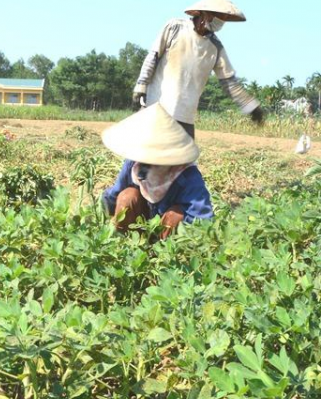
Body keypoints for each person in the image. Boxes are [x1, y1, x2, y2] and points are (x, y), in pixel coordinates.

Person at [132, 0, 263, 139]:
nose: (221, 22)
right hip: (157, 106)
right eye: (218, 16)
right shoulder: (175, 27)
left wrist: (250, 106)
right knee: (140, 155)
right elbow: (153, 56)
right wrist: (141, 85)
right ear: (204, 13)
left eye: (224, 19)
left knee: (185, 158)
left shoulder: (216, 48)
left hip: (185, 115)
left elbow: (229, 82)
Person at [102, 104, 214, 239]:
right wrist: (101, 214)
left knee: (175, 216)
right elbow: (115, 194)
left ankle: (160, 254)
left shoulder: (187, 175)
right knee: (127, 196)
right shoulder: (134, 164)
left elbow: (202, 217)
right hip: (137, 227)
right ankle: (125, 243)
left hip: (167, 235)